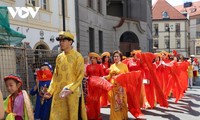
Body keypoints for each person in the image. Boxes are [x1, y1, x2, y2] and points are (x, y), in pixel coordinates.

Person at [44, 31, 87, 120]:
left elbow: (80, 76)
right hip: (59, 93)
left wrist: (70, 89)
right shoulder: (59, 57)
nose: (61, 43)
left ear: (70, 41)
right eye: (60, 41)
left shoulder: (78, 57)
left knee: (72, 116)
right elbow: (56, 75)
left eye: (63, 40)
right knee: (56, 116)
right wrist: (50, 91)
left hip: (72, 93)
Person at [105, 50, 129, 120]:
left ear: (120, 57)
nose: (115, 57)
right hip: (113, 87)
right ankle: (115, 117)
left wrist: (120, 76)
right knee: (114, 103)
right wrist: (104, 77)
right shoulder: (112, 66)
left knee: (121, 102)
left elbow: (127, 76)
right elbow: (109, 75)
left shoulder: (124, 66)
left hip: (121, 87)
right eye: (114, 56)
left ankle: (121, 117)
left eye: (117, 56)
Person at [85, 52, 104, 120]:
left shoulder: (99, 66)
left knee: (96, 101)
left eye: (93, 58)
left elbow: (102, 75)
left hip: (97, 86)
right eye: (91, 58)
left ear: (96, 59)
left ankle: (97, 116)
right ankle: (90, 116)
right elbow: (86, 75)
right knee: (90, 101)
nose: (92, 59)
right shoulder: (88, 66)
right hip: (90, 85)